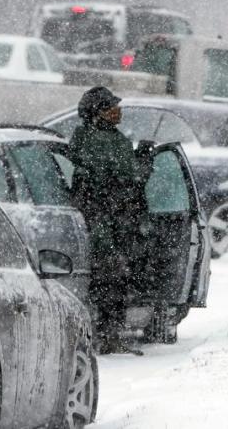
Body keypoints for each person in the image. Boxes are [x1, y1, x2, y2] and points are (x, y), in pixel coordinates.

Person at [68, 86, 153, 355]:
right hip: (103, 219)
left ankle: (106, 332)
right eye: (111, 107)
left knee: (109, 278)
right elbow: (127, 175)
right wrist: (145, 160)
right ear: (97, 113)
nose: (118, 111)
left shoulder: (92, 137)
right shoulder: (99, 140)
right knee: (111, 277)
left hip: (106, 217)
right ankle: (109, 335)